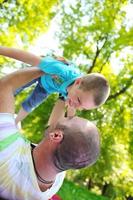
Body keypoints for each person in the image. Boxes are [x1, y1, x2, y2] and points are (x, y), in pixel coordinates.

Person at [0, 64, 100, 200]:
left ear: (57, 135)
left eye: (71, 118)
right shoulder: (55, 181)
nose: (70, 113)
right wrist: (63, 95)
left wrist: (47, 67)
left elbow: (5, 86)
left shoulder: (7, 151)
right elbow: (51, 130)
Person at [0, 46, 110, 126]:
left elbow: (71, 115)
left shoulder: (75, 95)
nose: (77, 106)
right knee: (14, 86)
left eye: (82, 107)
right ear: (77, 83)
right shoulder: (61, 71)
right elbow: (27, 57)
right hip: (41, 72)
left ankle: (15, 122)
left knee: (32, 103)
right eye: (78, 101)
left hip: (47, 87)